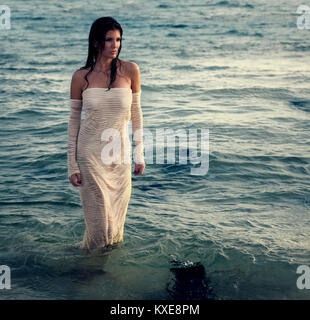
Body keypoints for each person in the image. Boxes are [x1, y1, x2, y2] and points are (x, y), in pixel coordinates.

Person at [67, 17, 145, 251]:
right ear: (96, 43)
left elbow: (137, 114)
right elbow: (73, 122)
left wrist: (139, 153)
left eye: (118, 39)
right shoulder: (81, 76)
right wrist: (72, 164)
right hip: (90, 156)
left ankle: (97, 271)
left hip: (119, 157)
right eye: (109, 40)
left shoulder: (130, 70)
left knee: (115, 231)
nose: (115, 45)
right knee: (100, 226)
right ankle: (91, 274)